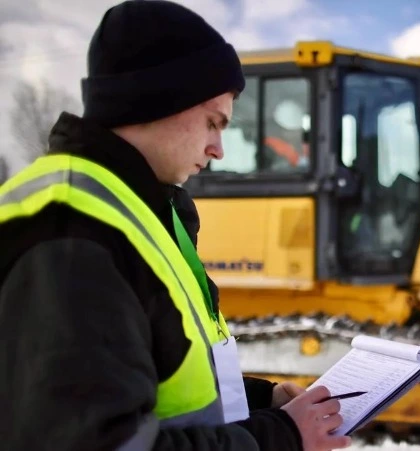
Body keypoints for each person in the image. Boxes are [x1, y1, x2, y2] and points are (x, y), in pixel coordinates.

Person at [0, 1, 351, 450]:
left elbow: (158, 375)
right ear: (158, 100)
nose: (218, 149)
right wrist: (278, 436)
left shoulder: (142, 213)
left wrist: (259, 401)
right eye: (213, 122)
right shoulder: (71, 232)